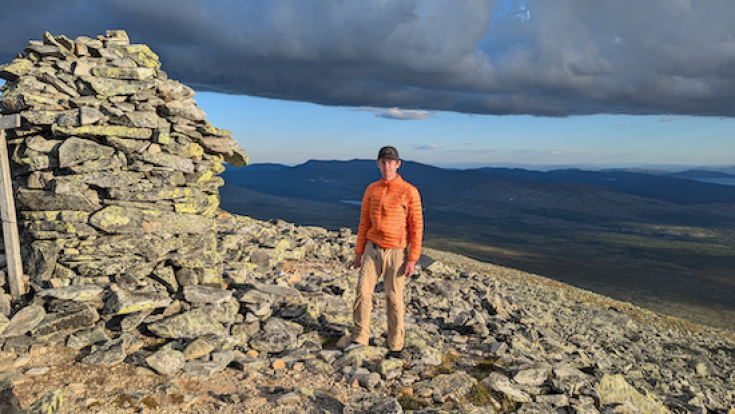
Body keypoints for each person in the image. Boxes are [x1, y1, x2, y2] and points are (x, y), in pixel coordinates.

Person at [346, 146, 423, 358]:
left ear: (398, 164)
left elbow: (416, 226)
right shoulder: (372, 189)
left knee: (394, 297)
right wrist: (359, 250)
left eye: (391, 162)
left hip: (397, 251)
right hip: (372, 247)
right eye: (384, 161)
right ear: (378, 164)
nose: (387, 165)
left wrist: (412, 259)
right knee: (363, 291)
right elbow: (364, 221)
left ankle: (396, 346)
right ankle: (360, 338)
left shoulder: (409, 191)